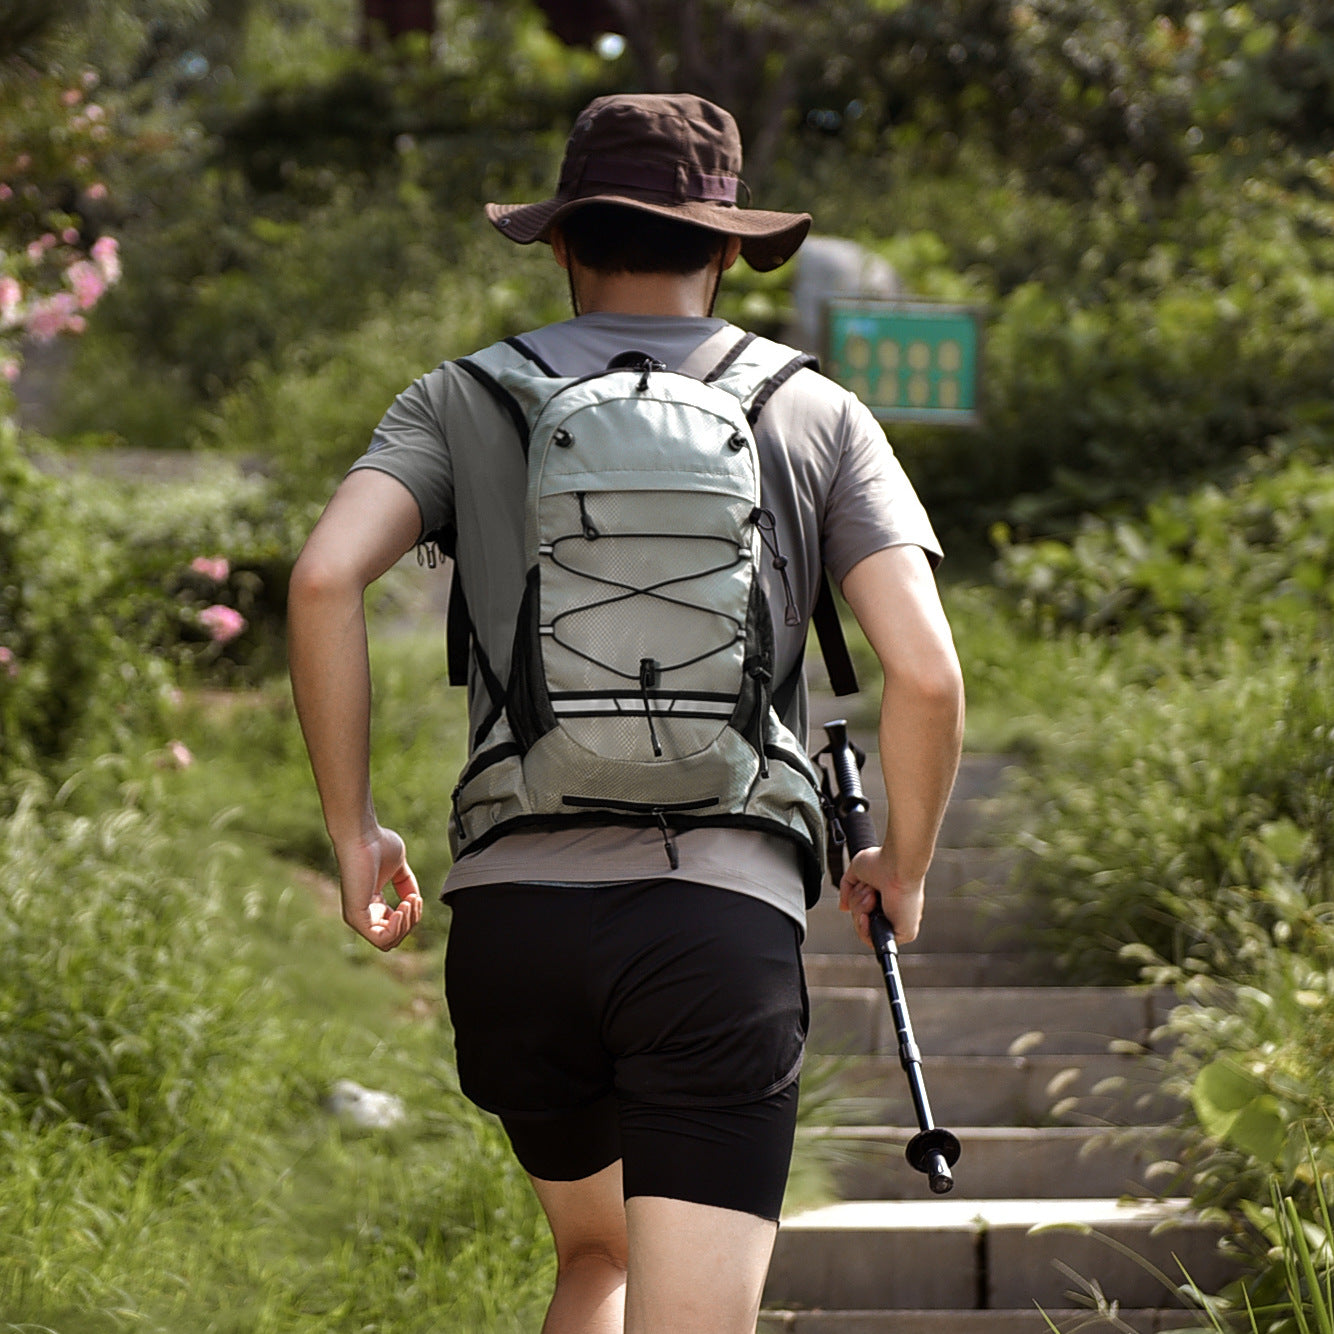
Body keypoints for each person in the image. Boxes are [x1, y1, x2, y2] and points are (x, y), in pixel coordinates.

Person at [287, 92, 964, 1334]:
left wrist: (355, 831)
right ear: (726, 246)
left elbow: (324, 577)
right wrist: (900, 865)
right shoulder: (814, 411)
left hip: (515, 926)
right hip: (715, 927)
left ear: (559, 241)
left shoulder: (460, 397)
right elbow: (925, 675)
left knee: (596, 1256)